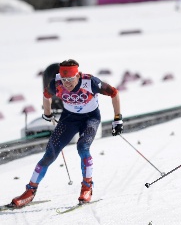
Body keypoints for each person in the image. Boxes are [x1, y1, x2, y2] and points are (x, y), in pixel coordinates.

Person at [9, 59, 124, 208]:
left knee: (83, 147)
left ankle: (87, 187)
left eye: (70, 79)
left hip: (90, 118)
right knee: (50, 153)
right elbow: (46, 96)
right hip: (68, 119)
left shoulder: (91, 82)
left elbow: (114, 93)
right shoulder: (56, 84)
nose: (67, 83)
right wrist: (47, 114)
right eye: (64, 79)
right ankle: (30, 192)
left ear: (78, 75)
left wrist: (117, 119)